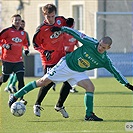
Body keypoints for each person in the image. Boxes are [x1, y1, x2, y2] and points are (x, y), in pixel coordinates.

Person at [8, 26, 133, 121]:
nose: (100, 48)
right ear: (99, 42)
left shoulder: (105, 60)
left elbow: (116, 72)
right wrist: (62, 29)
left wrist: (127, 84)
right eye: (100, 45)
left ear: (108, 48)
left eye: (103, 47)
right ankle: (15, 96)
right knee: (42, 82)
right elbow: (77, 33)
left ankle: (89, 114)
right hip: (65, 65)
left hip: (77, 72)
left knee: (90, 87)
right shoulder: (91, 42)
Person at [32, 4, 74, 117]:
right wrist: (44, 51)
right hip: (49, 59)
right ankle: (37, 104)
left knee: (70, 80)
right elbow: (35, 44)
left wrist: (69, 23)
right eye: (48, 16)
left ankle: (59, 105)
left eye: (52, 16)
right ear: (43, 15)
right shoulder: (41, 29)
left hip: (62, 57)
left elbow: (69, 25)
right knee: (47, 83)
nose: (51, 19)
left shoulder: (60, 20)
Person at [0, 14, 30, 104]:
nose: (17, 22)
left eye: (19, 20)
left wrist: (26, 49)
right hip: (7, 60)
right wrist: (4, 45)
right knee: (4, 79)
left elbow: (25, 43)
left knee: (21, 79)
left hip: (18, 60)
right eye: (15, 20)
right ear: (12, 21)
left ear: (21, 22)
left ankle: (21, 98)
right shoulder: (7, 31)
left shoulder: (23, 33)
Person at [4, 19, 30, 94]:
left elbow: (27, 44)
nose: (22, 25)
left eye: (23, 24)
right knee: (7, 75)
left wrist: (26, 49)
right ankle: (10, 85)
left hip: (20, 55)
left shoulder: (24, 33)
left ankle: (12, 86)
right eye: (21, 24)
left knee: (19, 72)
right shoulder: (10, 31)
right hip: (9, 57)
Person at [63, 27, 79, 93]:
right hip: (64, 54)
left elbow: (77, 44)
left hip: (71, 54)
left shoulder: (74, 34)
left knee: (71, 71)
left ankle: (71, 87)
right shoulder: (63, 34)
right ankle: (52, 82)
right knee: (66, 71)